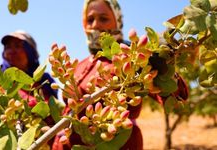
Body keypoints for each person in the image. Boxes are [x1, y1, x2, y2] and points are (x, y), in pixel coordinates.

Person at [52, 0, 188, 150]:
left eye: (103, 18)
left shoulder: (134, 58)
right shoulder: (79, 65)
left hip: (120, 144)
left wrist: (166, 68)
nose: (96, 24)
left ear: (117, 21)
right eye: (90, 19)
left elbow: (177, 98)